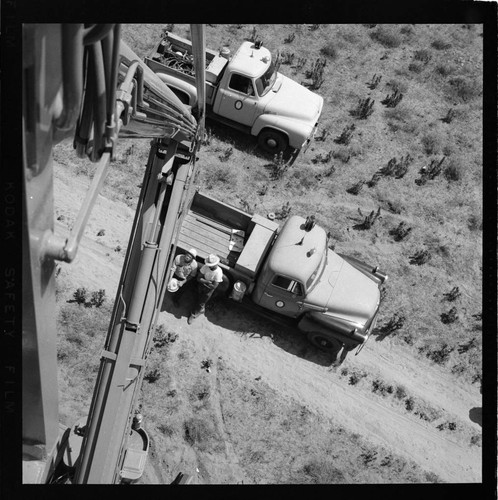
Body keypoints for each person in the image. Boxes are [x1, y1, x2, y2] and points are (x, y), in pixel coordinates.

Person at [188, 254, 223, 324]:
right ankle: (201, 309)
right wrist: (206, 282)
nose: (209, 266)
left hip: (208, 290)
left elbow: (214, 286)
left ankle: (193, 314)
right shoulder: (205, 267)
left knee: (201, 302)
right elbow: (198, 278)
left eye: (211, 265)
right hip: (202, 285)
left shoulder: (218, 272)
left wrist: (203, 281)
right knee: (198, 297)